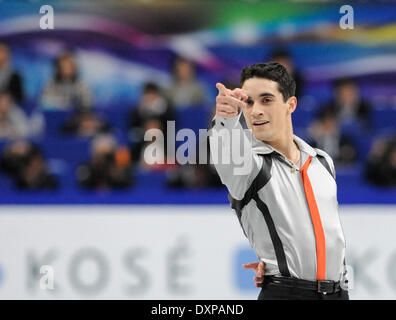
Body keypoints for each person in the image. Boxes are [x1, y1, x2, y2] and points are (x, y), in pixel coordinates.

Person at [209, 62, 349, 300]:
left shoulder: (322, 162)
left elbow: (329, 236)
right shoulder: (249, 166)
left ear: (290, 104)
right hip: (285, 294)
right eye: (249, 102)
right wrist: (225, 119)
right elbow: (226, 154)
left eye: (266, 100)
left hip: (338, 294)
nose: (255, 111)